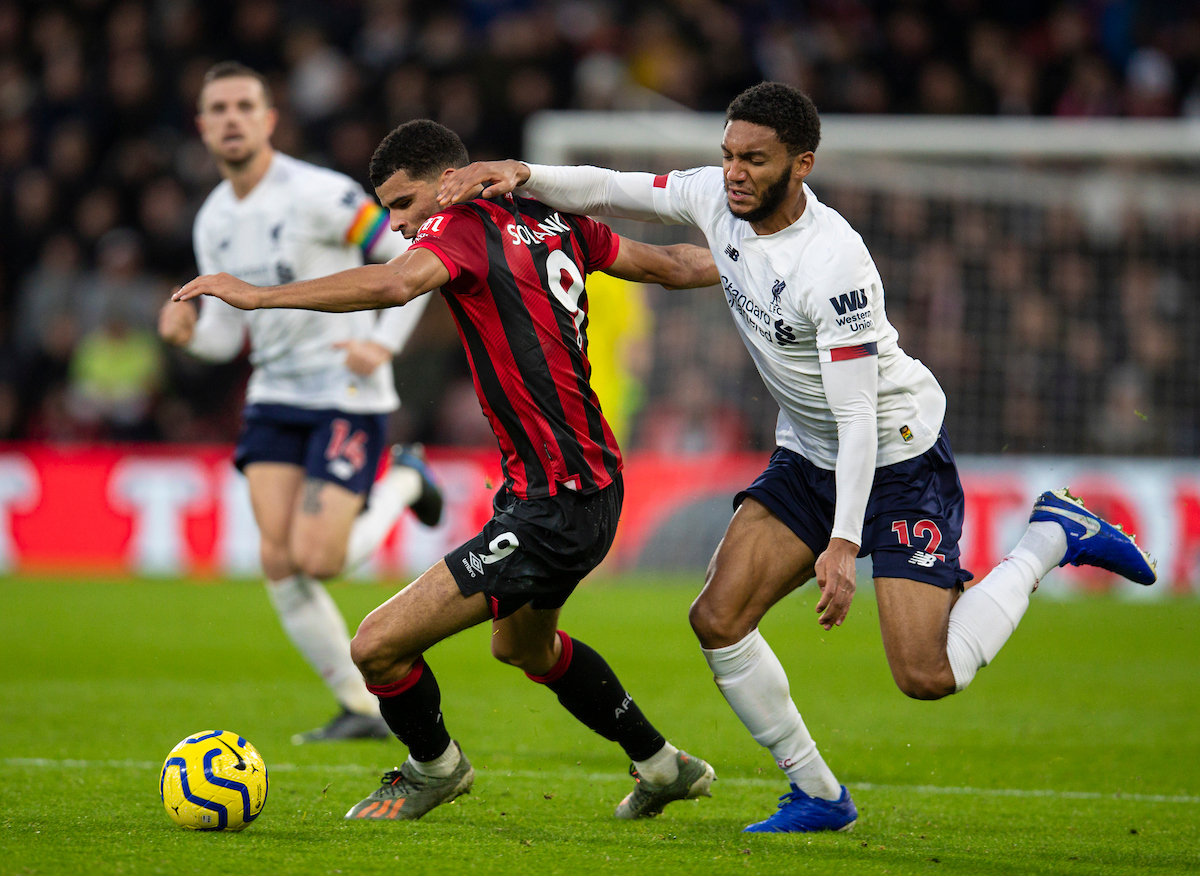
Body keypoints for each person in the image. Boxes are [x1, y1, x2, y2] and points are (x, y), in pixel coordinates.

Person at [435, 81, 1158, 833]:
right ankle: (818, 794)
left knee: (926, 675)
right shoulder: (716, 199)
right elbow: (617, 189)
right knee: (718, 617)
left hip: (895, 455)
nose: (735, 172)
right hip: (809, 453)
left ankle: (1051, 536)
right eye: (727, 156)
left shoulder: (835, 263)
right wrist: (523, 172)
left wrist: (844, 544)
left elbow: (857, 416)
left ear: (801, 164)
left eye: (754, 159)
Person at [173, 119, 721, 823]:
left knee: (376, 647)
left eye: (404, 205)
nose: (399, 224)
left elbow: (398, 285)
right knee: (524, 645)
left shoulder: (459, 226)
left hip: (555, 500)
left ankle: (435, 768)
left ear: (447, 181)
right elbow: (674, 265)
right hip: (583, 483)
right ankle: (662, 764)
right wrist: (757, 260)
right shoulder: (555, 216)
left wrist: (258, 296)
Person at [159, 62, 444, 745]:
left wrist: (384, 342)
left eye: (243, 105)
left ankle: (407, 479)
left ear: (268, 118)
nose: (231, 117)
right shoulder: (214, 222)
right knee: (279, 561)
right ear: (203, 127)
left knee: (320, 559)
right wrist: (188, 336)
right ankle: (360, 707)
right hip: (274, 397)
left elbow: (412, 257)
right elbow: (230, 337)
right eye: (218, 108)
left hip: (345, 391)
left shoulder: (318, 194)